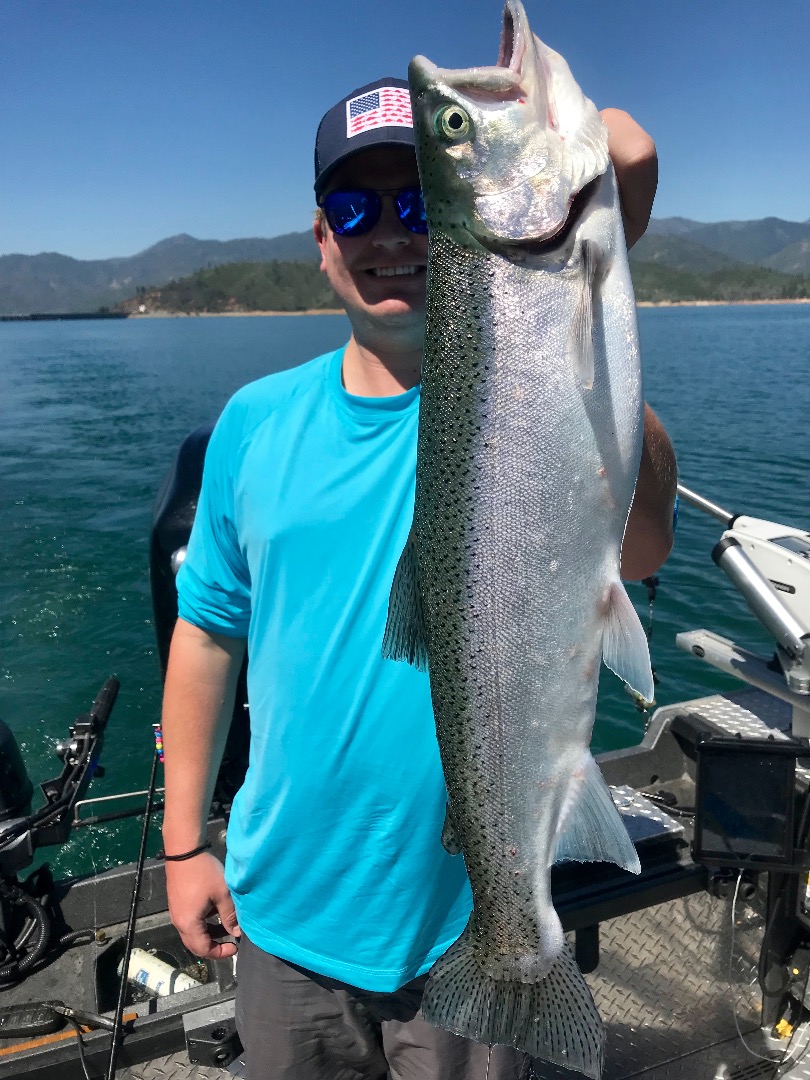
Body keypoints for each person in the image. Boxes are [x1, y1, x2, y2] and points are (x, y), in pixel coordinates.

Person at [161, 75, 677, 1080]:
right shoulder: (254, 423)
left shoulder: (520, 395)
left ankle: (513, 948)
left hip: (464, 914)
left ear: (459, 228)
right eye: (355, 209)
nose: (388, 234)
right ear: (321, 239)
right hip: (284, 913)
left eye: (417, 204)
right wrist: (185, 845)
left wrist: (596, 340)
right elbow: (209, 631)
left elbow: (646, 551)